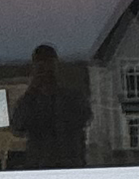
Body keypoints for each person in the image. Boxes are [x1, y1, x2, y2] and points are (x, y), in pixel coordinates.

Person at [13, 42, 88, 171]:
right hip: (40, 167)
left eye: (49, 65)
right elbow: (17, 126)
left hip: (69, 166)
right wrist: (32, 90)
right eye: (41, 66)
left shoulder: (71, 97)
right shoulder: (30, 100)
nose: (46, 71)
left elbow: (83, 119)